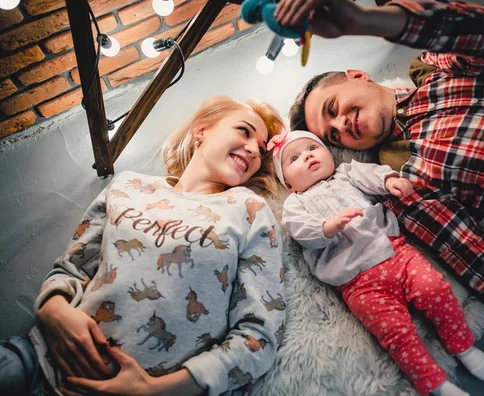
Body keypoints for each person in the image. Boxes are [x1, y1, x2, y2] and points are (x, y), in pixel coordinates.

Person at [277, 0, 484, 312]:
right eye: (334, 135)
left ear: (358, 75)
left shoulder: (434, 71)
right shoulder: (407, 181)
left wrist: (364, 21)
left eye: (333, 108)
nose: (342, 123)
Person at [0, 96, 287, 396]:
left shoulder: (251, 210)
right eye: (244, 131)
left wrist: (154, 390)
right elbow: (70, 268)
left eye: (262, 147)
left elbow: (259, 335)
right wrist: (52, 309)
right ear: (202, 130)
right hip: (36, 363)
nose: (254, 149)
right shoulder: (127, 186)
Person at [273, 130, 484, 396]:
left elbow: (372, 174)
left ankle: (463, 346)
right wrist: (327, 227)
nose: (307, 156)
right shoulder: (296, 203)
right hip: (356, 283)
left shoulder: (345, 173)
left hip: (395, 253)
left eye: (312, 148)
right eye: (294, 158)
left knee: (435, 289)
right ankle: (434, 382)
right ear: (288, 184)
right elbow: (299, 230)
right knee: (395, 332)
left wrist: (389, 181)